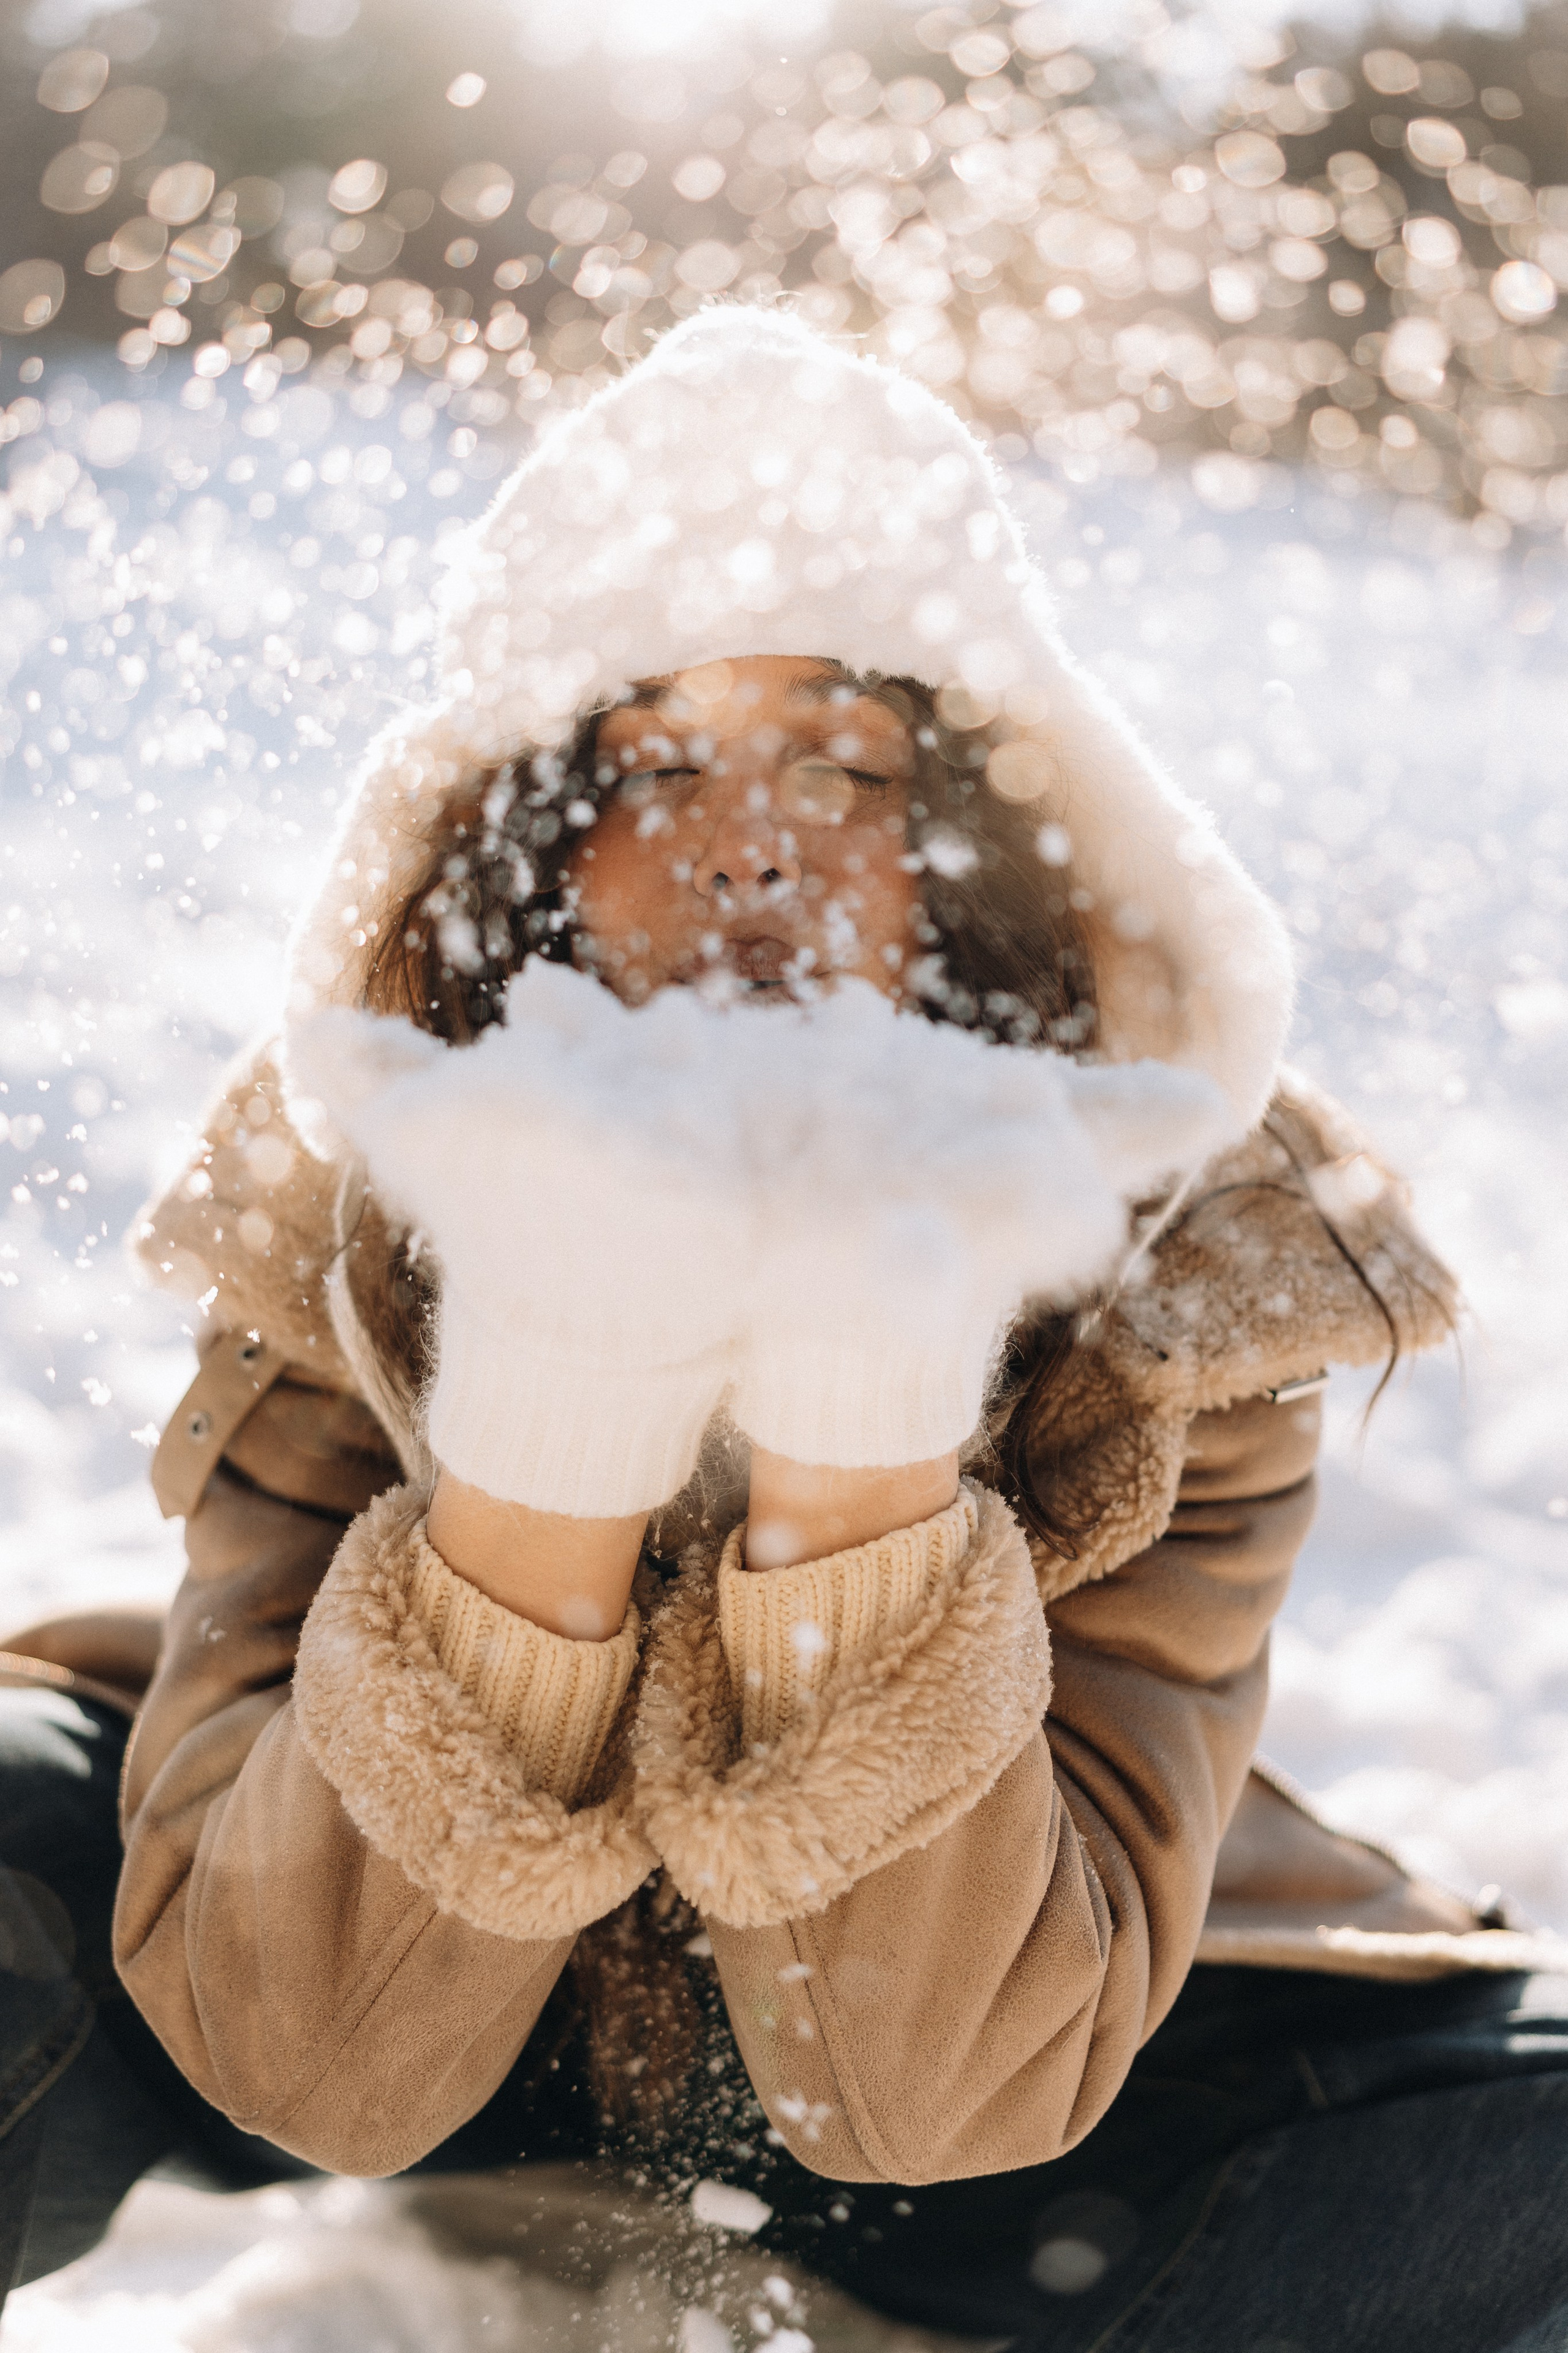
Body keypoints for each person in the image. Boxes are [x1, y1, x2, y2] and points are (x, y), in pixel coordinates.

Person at [4, 310, 1567, 2351]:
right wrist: (551, 1424)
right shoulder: (352, 1195)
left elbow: (945, 2087)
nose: (751, 839)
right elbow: (322, 2054)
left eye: (843, 758)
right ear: (531, 848)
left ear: (976, 851)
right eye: (656, 763)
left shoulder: (1197, 1250)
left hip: (1007, 2092)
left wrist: (866, 1413)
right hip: (407, 1989)